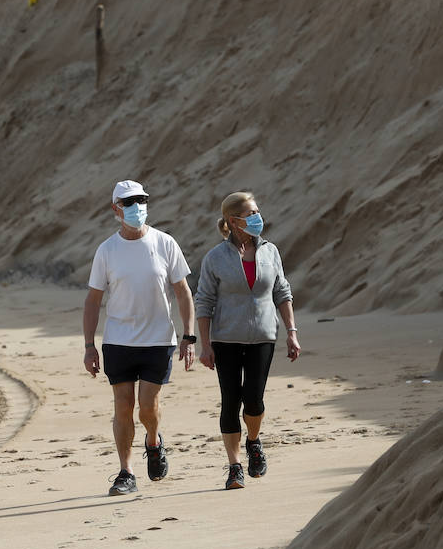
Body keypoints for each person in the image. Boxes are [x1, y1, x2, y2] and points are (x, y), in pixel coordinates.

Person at [84, 180, 197, 495]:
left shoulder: (165, 243)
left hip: (158, 339)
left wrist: (189, 336)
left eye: (141, 201)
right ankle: (125, 472)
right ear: (116, 209)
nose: (136, 208)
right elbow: (93, 301)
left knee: (147, 406)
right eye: (129, 203)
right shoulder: (107, 250)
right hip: (118, 340)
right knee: (123, 405)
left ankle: (153, 441)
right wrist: (89, 346)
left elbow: (183, 292)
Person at [194, 191, 300, 490]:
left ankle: (253, 440)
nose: (257, 218)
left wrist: (291, 331)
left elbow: (282, 292)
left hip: (263, 337)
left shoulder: (270, 252)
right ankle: (234, 466)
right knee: (231, 401)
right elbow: (204, 301)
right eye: (250, 214)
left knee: (253, 400)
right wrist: (205, 345)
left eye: (257, 212)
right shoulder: (215, 257)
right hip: (226, 339)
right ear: (233, 220)